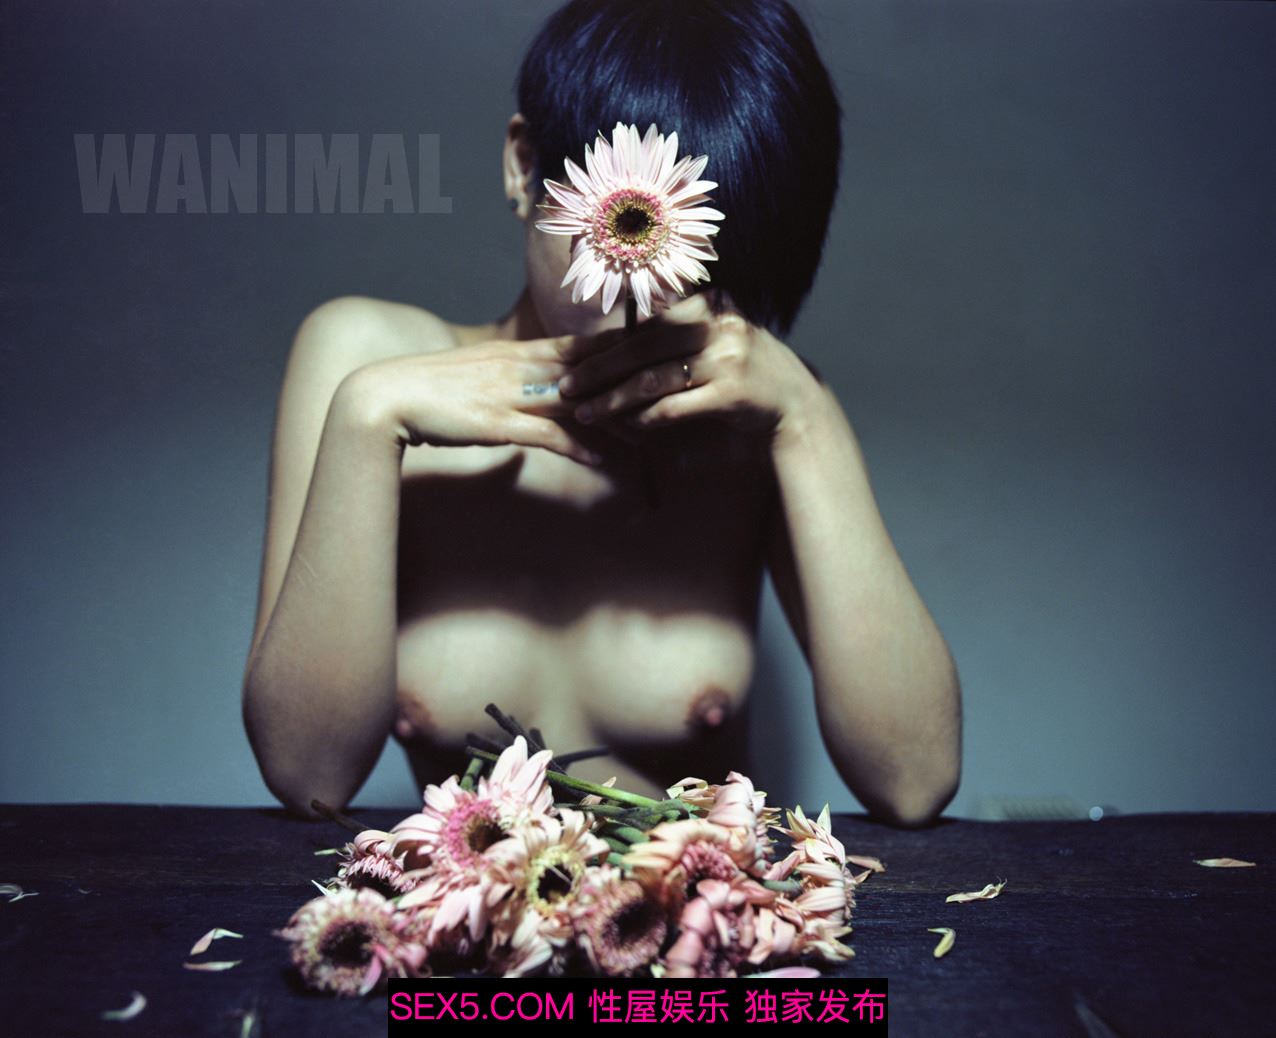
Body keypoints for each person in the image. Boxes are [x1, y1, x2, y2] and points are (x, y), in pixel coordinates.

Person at [241, 0, 962, 828]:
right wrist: (369, 417)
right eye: (630, 223)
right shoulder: (367, 362)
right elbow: (308, 773)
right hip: (469, 907)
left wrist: (808, 415)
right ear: (525, 168)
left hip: (701, 904)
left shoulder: (756, 418)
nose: (660, 286)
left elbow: (915, 780)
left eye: (716, 252)